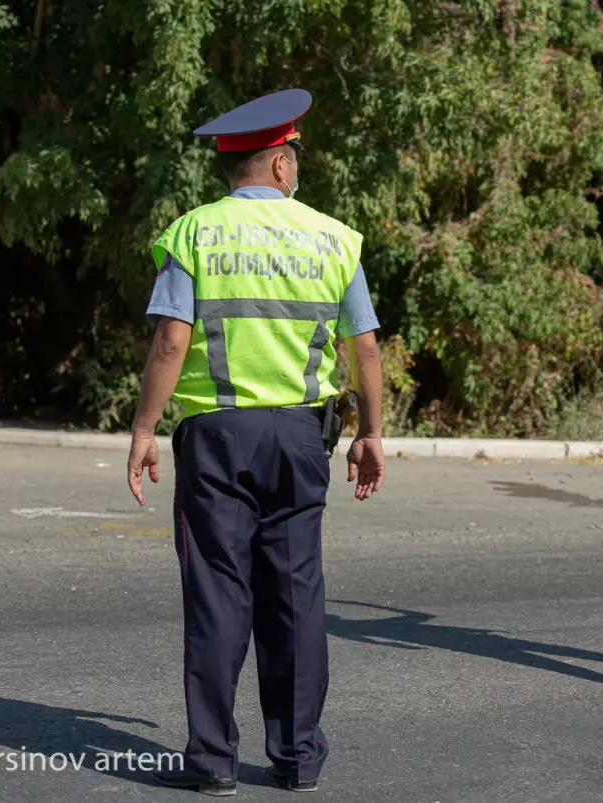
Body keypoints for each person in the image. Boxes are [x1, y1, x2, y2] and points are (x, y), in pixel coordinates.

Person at [124, 89, 386, 796]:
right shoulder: (335, 237)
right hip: (302, 435)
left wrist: (145, 428)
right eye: (294, 155)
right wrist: (371, 433)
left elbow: (171, 339)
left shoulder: (193, 233)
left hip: (215, 437)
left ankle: (212, 758)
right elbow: (363, 347)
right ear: (277, 162)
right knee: (296, 594)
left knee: (217, 592)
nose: (296, 166)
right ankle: (297, 755)